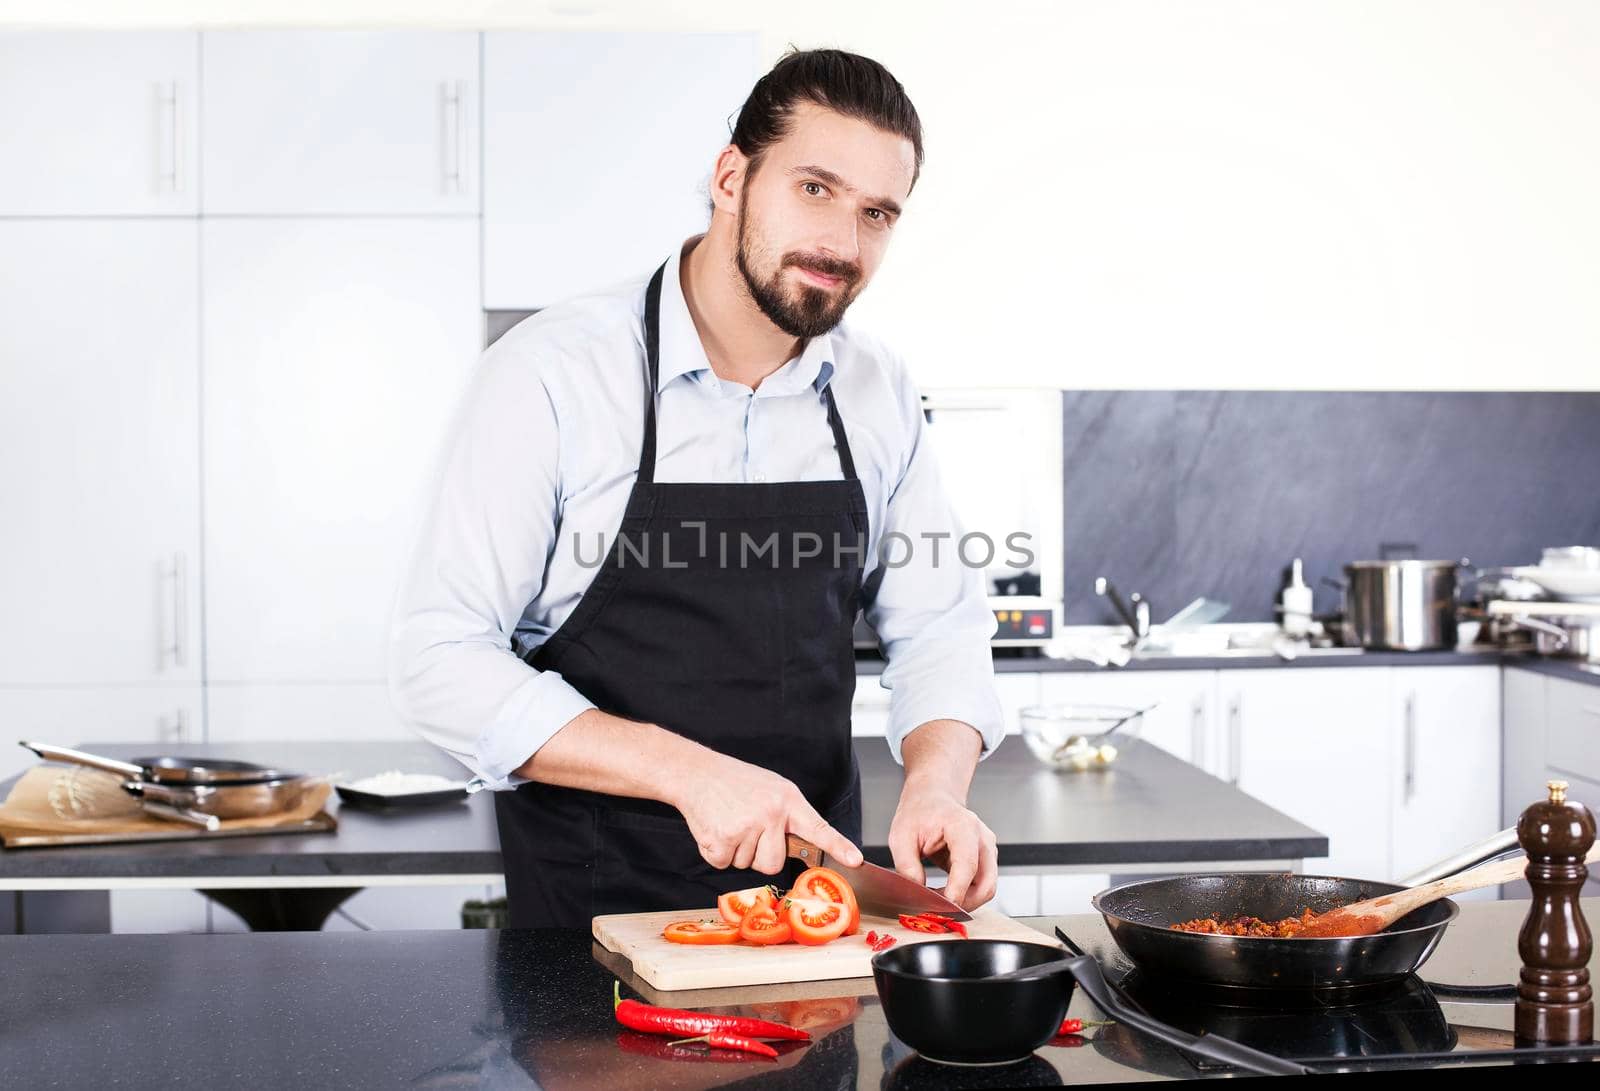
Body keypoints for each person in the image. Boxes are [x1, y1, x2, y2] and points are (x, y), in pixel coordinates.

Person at [390, 48, 1004, 929]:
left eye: (878, 213)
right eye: (815, 189)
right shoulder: (554, 375)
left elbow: (940, 625)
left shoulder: (877, 391)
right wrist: (690, 772)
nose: (843, 244)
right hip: (593, 926)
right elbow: (436, 660)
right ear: (731, 177)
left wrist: (938, 787)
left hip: (816, 926)